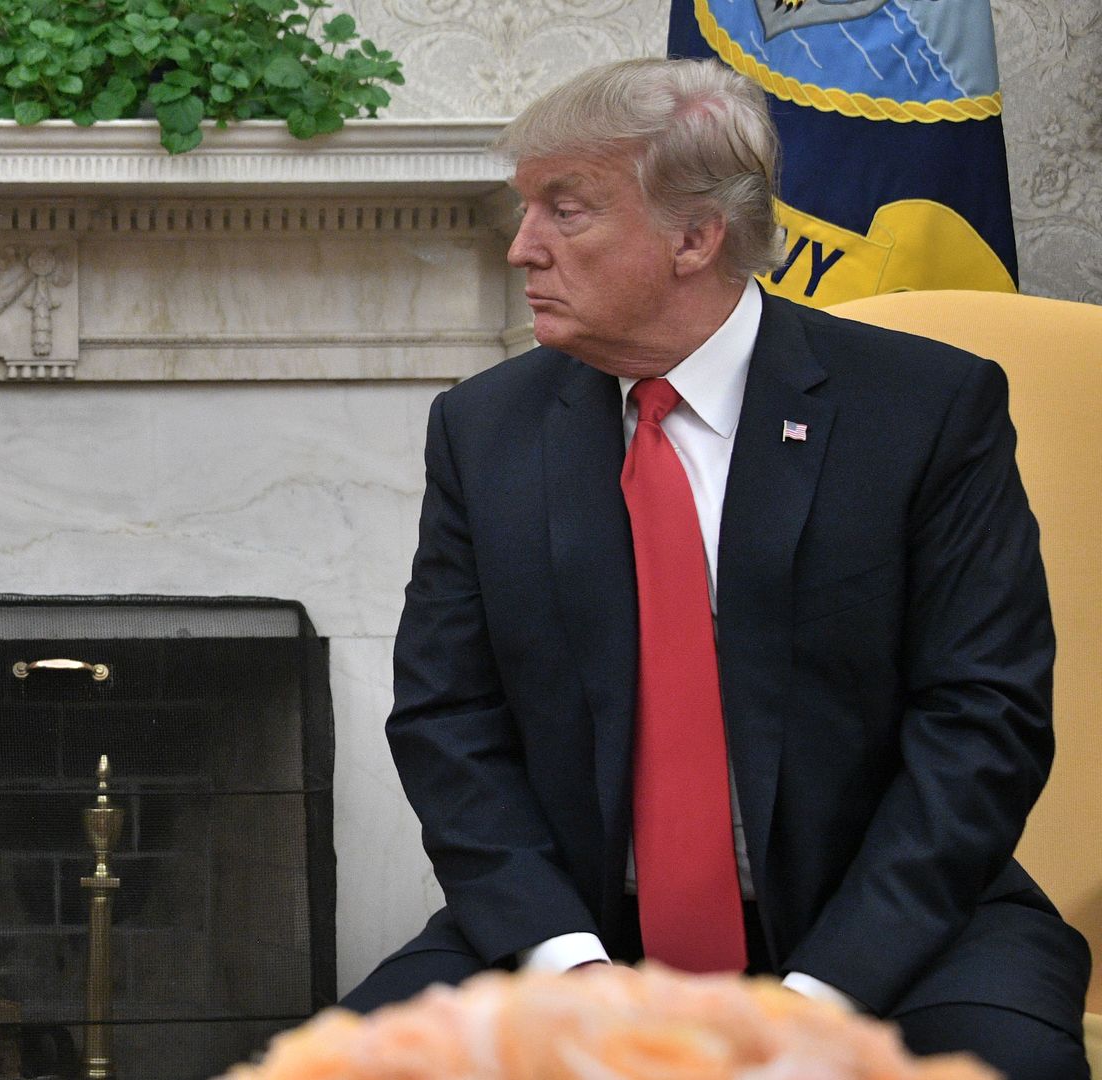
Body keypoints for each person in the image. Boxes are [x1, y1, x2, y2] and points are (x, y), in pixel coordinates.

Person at [342, 58, 1090, 1079]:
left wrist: (821, 1000)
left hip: (891, 927)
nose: (522, 248)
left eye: (567, 211)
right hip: (582, 930)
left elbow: (983, 723)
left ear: (695, 237)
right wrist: (567, 966)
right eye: (526, 210)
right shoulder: (485, 431)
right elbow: (446, 720)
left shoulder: (923, 412)